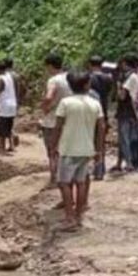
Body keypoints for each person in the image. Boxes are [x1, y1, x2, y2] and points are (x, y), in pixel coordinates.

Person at [54, 72, 105, 231]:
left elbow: (58, 125)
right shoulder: (95, 103)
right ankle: (78, 215)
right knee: (81, 182)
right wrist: (99, 149)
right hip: (87, 148)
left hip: (68, 148)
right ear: (87, 85)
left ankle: (69, 218)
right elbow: (102, 127)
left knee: (64, 183)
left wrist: (53, 145)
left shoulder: (66, 103)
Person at [39, 53, 72, 186]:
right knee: (65, 151)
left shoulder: (54, 80)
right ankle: (66, 177)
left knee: (52, 152)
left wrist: (44, 107)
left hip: (52, 121)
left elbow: (48, 96)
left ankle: (54, 178)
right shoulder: (69, 78)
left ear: (50, 66)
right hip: (67, 120)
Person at [113, 53, 138, 173]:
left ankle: (129, 163)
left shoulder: (130, 77)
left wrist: (118, 85)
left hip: (126, 111)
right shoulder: (134, 75)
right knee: (126, 137)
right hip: (131, 111)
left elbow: (122, 96)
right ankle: (121, 162)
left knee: (125, 138)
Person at [87, 56, 113, 180]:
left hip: (90, 112)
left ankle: (88, 169)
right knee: (100, 142)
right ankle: (100, 170)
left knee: (89, 141)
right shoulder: (108, 78)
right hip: (104, 112)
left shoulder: (88, 78)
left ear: (90, 64)